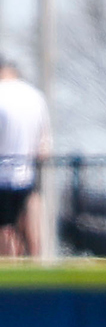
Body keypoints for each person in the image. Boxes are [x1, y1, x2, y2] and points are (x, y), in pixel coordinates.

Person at [0, 57, 51, 258]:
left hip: (2, 176)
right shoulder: (36, 97)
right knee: (30, 232)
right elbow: (44, 148)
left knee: (5, 234)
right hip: (27, 176)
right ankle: (36, 265)